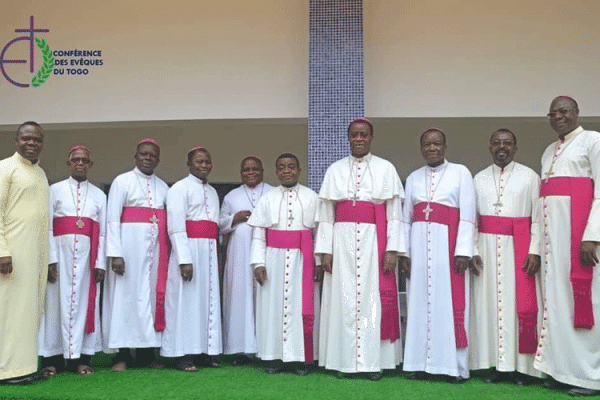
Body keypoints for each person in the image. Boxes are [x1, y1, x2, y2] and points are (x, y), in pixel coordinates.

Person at [316, 118, 404, 381]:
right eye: (354, 135)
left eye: (364, 135)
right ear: (349, 138)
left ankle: (373, 363)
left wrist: (392, 249)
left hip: (373, 240)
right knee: (343, 299)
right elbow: (326, 215)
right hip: (341, 242)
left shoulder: (386, 168)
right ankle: (344, 361)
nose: (359, 139)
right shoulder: (335, 170)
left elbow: (395, 214)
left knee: (371, 299)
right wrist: (325, 251)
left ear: (371, 138)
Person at [533, 96, 600, 396]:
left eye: (564, 111)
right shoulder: (548, 151)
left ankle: (589, 376)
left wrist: (592, 236)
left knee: (583, 304)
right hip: (553, 244)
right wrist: (537, 246)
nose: (559, 117)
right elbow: (541, 203)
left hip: (579, 243)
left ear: (576, 113)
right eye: (553, 113)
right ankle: (561, 370)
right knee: (556, 305)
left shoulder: (592, 141)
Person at [401, 127, 475, 383]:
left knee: (449, 304)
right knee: (419, 303)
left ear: (444, 146)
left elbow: (467, 215)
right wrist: (405, 254)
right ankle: (417, 363)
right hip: (419, 249)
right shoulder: (412, 178)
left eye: (437, 144)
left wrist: (463, 251)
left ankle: (454, 366)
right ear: (421, 148)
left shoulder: (461, 173)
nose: (432, 148)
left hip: (448, 248)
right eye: (427, 145)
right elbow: (405, 220)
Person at [468, 129, 542, 385]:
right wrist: (473, 250)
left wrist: (534, 250)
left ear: (515, 147)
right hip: (486, 251)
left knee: (516, 306)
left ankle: (522, 368)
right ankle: (496, 366)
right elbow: (471, 221)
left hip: (518, 252)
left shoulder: (530, 177)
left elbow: (538, 219)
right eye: (497, 143)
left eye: (507, 143)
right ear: (490, 147)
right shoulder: (478, 179)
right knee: (489, 306)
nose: (502, 147)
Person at [248, 153, 320, 376]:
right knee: (272, 307)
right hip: (273, 259)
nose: (286, 170)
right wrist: (258, 263)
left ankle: (301, 358)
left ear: (299, 170)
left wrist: (317, 262)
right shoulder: (267, 198)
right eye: (281, 167)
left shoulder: (312, 197)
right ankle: (274, 356)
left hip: (303, 259)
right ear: (276, 172)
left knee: (301, 306)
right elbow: (259, 234)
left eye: (291, 167)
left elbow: (318, 234)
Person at [38, 146, 107, 376]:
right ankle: (52, 359)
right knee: (54, 307)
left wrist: (100, 263)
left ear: (90, 165)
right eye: (75, 160)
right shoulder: (53, 190)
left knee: (84, 307)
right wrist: (50, 259)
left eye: (85, 160)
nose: (80, 163)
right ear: (69, 164)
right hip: (59, 259)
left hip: (87, 262)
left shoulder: (99, 195)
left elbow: (104, 232)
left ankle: (81, 359)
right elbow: (47, 226)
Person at [103, 138, 169, 371]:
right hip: (128, 253)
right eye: (144, 154)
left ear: (158, 159)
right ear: (136, 156)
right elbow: (112, 219)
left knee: (149, 301)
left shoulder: (163, 187)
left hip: (154, 254)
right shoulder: (122, 182)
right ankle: (122, 355)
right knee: (125, 300)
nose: (148, 158)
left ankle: (146, 354)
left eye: (152, 155)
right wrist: (116, 254)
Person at [161, 147, 222, 371]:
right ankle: (182, 354)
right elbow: (175, 228)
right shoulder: (179, 188)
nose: (204, 165)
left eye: (207, 161)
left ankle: (203, 351)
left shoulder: (213, 192)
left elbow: (214, 225)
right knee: (185, 303)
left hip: (208, 251)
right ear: (189, 165)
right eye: (199, 162)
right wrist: (184, 259)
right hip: (188, 251)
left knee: (207, 301)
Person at [0, 122, 49, 384]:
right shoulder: (5, 168)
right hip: (12, 256)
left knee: (29, 311)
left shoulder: (39, 173)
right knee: (8, 312)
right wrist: (2, 251)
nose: (31, 143)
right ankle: (5, 370)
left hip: (35, 256)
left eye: (37, 139)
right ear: (16, 140)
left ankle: (25, 366)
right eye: (26, 139)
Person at [219, 156, 273, 365]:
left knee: (265, 296)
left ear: (262, 171)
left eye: (254, 169)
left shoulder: (272, 192)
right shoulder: (231, 196)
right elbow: (220, 223)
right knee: (239, 298)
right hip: (238, 254)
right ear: (241, 173)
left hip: (266, 252)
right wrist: (234, 219)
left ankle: (265, 348)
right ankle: (239, 349)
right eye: (246, 170)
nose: (250, 172)